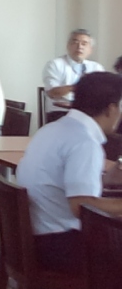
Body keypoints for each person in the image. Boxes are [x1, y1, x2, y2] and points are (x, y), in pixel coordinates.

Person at [17, 71, 122, 275]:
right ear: (111, 108)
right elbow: (81, 207)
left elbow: (63, 183)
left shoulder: (51, 129)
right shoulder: (85, 142)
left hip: (32, 238)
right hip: (58, 246)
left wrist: (105, 179)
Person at [42, 29, 103, 121]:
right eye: (75, 42)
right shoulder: (55, 64)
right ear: (68, 46)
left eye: (84, 44)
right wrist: (77, 86)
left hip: (89, 113)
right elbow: (52, 92)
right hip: (61, 112)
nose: (79, 47)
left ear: (90, 50)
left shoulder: (96, 67)